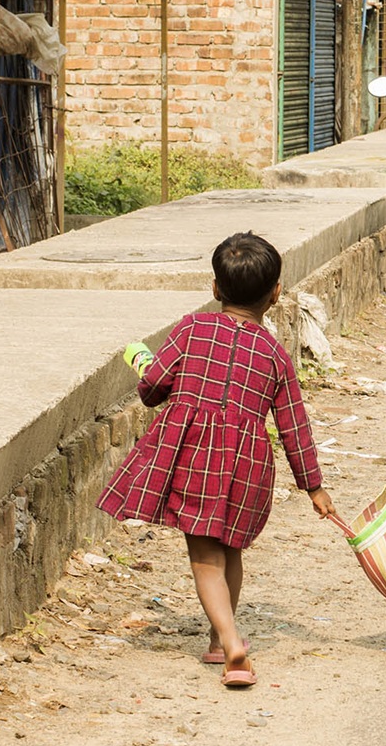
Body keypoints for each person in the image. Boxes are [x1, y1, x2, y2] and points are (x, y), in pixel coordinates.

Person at [98, 233, 335, 690]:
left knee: (204, 554)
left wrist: (145, 365)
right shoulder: (276, 356)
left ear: (214, 287)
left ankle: (231, 645)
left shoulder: (190, 329)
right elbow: (293, 426)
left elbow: (153, 389)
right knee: (230, 548)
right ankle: (215, 636)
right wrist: (314, 487)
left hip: (194, 460)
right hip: (249, 464)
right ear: (276, 293)